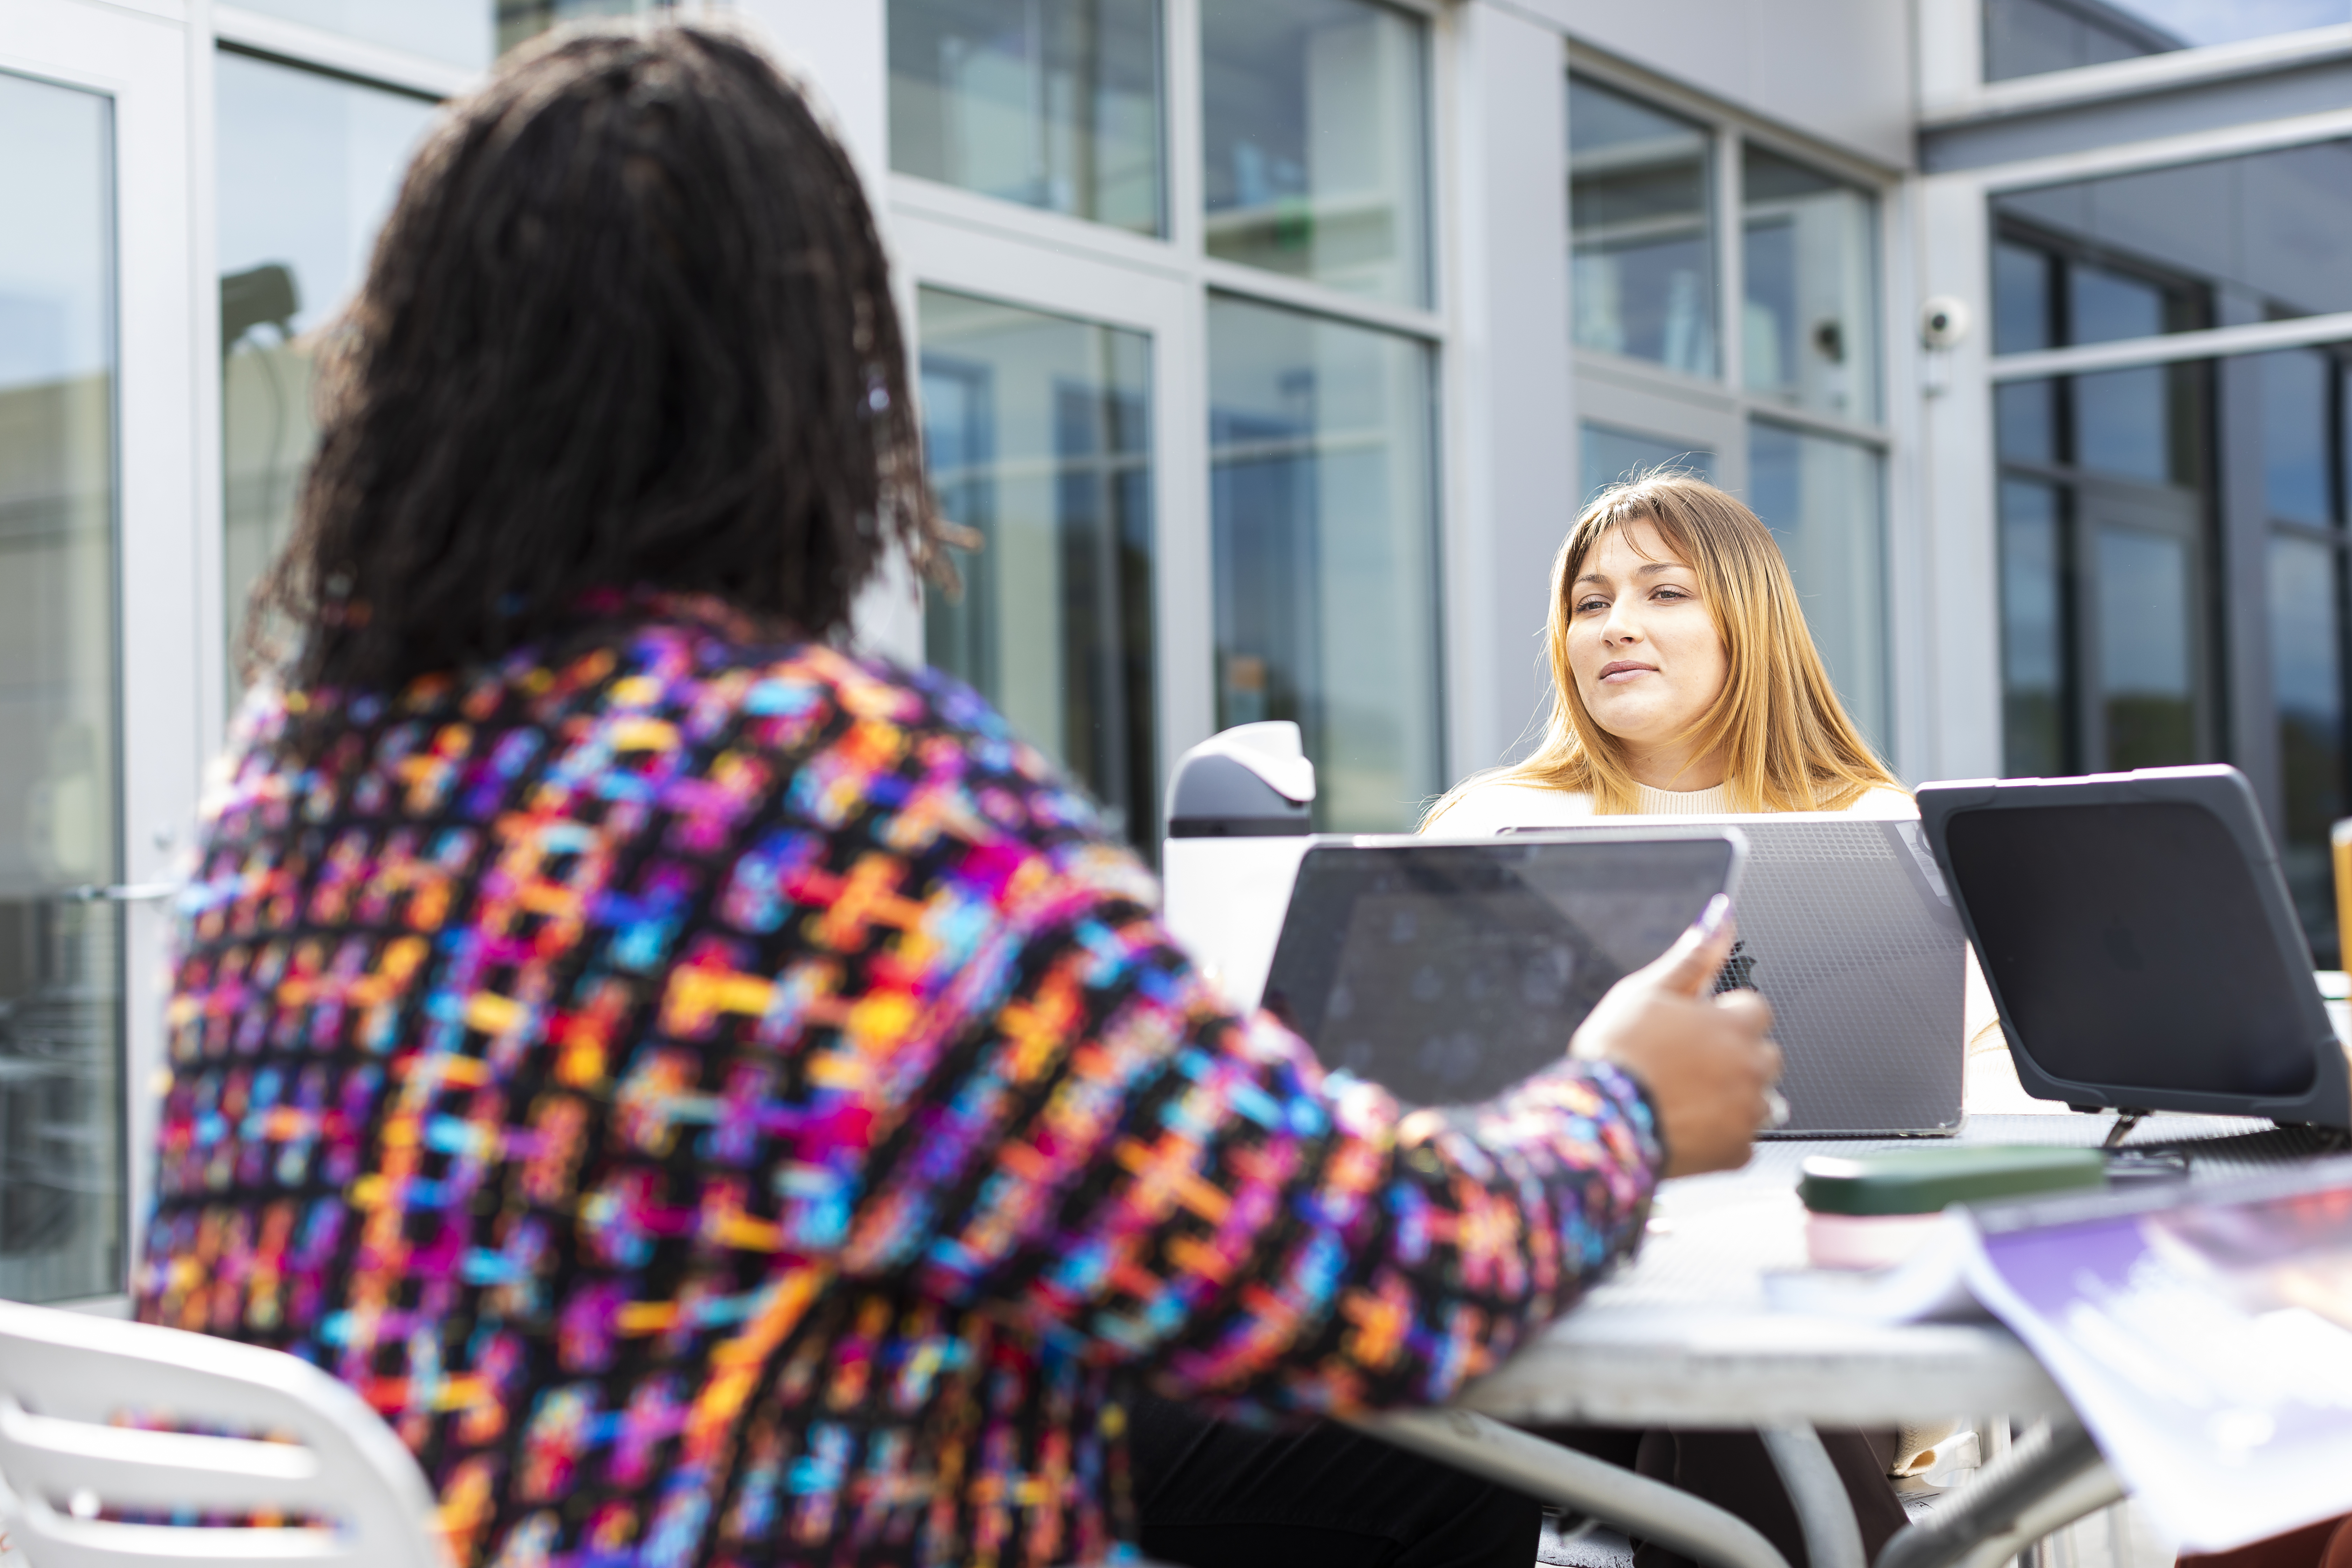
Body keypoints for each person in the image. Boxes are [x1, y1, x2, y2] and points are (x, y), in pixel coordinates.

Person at [132, 22, 1783, 1568]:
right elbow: (1358, 1268)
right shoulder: (818, 785)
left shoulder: (287, 782)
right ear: (802, 384)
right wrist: (1625, 1102)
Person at [1424, 471, 2004, 1568]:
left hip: (1810, 1304)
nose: (1618, 627)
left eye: (1663, 593)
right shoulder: (1493, 826)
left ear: (1749, 619)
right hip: (1555, 1301)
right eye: (1589, 604)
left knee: (1747, 1375)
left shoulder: (1878, 833)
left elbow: (1985, 1090)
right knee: (1741, 1388)